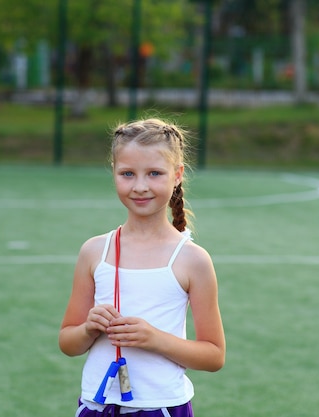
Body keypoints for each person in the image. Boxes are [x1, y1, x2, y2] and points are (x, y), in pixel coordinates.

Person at [59, 118, 225, 417]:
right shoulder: (95, 251)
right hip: (96, 405)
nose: (140, 186)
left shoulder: (192, 259)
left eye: (154, 173)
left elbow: (213, 355)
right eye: (127, 174)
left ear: (177, 176)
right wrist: (89, 328)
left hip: (159, 407)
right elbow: (68, 342)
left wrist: (154, 339)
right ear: (114, 173)